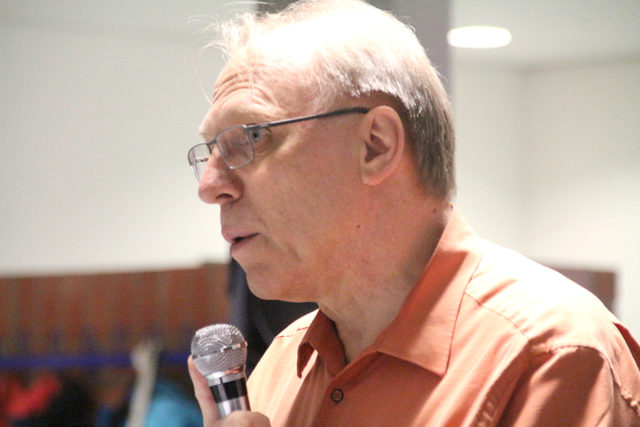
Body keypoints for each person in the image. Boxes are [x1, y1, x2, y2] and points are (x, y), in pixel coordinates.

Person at [186, 0, 640, 425]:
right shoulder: (279, 368)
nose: (210, 186)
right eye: (209, 153)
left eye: (251, 138)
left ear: (375, 145)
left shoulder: (551, 355)